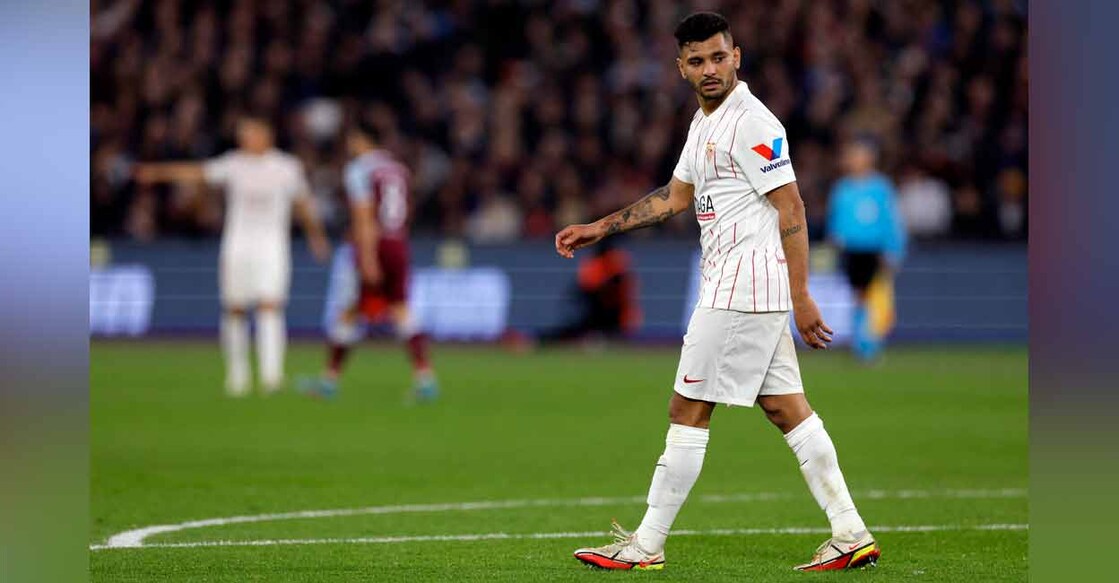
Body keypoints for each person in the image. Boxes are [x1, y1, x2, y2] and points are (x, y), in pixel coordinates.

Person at [555, 13, 879, 572]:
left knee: (687, 408)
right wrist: (600, 228)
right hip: (744, 288)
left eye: (718, 57)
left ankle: (646, 544)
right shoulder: (704, 123)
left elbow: (792, 206)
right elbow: (674, 197)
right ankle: (851, 532)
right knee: (787, 410)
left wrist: (802, 296)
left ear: (737, 57)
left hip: (740, 288)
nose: (710, 69)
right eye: (697, 60)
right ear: (681, 68)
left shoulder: (753, 122)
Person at [134, 117, 330, 396]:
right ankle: (237, 377)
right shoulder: (234, 164)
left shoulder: (286, 167)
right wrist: (156, 173)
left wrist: (316, 236)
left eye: (251, 134)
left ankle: (272, 376)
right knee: (235, 308)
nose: (245, 139)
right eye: (243, 135)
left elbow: (303, 203)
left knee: (270, 306)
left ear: (267, 136)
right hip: (237, 246)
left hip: (272, 247)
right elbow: (197, 172)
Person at [300, 121, 437, 402]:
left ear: (362, 140)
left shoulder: (359, 169)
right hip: (398, 241)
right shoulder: (398, 169)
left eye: (353, 140)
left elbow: (364, 215)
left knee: (349, 309)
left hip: (374, 243)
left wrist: (367, 256)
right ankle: (425, 379)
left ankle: (329, 381)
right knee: (399, 309)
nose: (350, 146)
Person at [826, 138, 907, 362]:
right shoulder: (843, 188)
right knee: (857, 297)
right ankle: (860, 343)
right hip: (851, 250)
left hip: (875, 250)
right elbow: (835, 220)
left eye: (857, 154)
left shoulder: (881, 188)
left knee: (876, 297)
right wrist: (835, 240)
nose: (853, 159)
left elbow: (892, 221)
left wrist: (894, 250)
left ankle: (870, 343)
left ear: (870, 158)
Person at [539, 239, 642, 343]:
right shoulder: (597, 264)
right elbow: (584, 291)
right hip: (596, 315)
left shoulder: (615, 263)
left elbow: (614, 290)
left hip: (614, 317)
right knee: (573, 330)